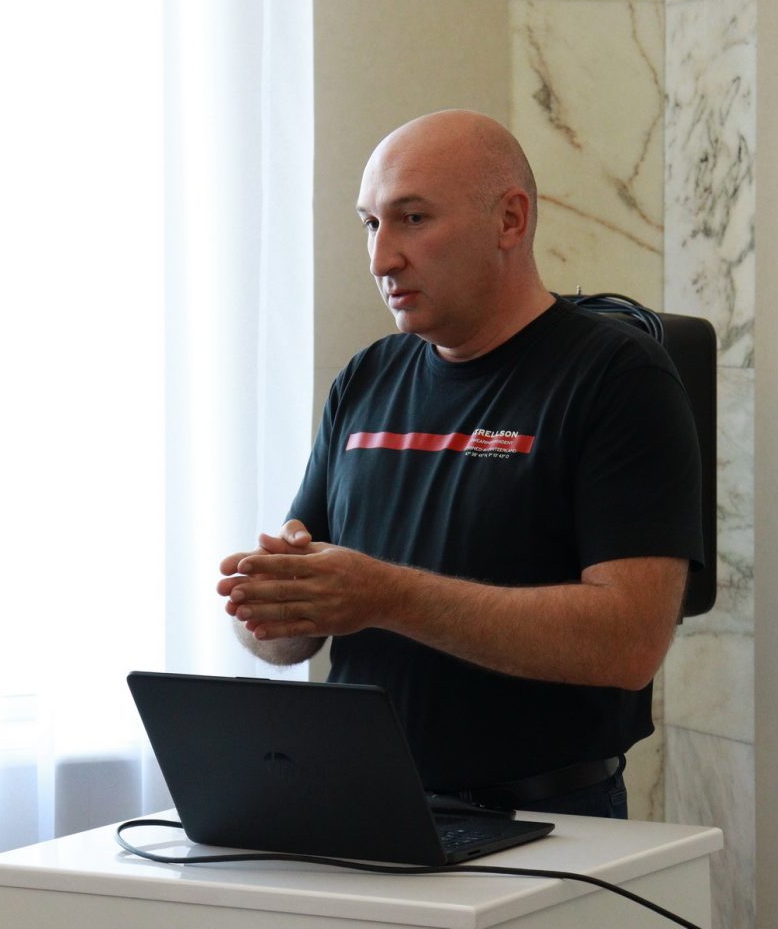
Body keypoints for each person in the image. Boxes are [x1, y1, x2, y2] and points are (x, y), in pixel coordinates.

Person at [217, 109, 702, 819]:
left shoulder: (618, 377)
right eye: (371, 224)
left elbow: (629, 642)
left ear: (510, 220)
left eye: (412, 219)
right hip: (359, 803)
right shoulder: (367, 377)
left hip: (547, 820)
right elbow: (292, 634)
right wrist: (269, 600)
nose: (382, 259)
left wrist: (386, 595)